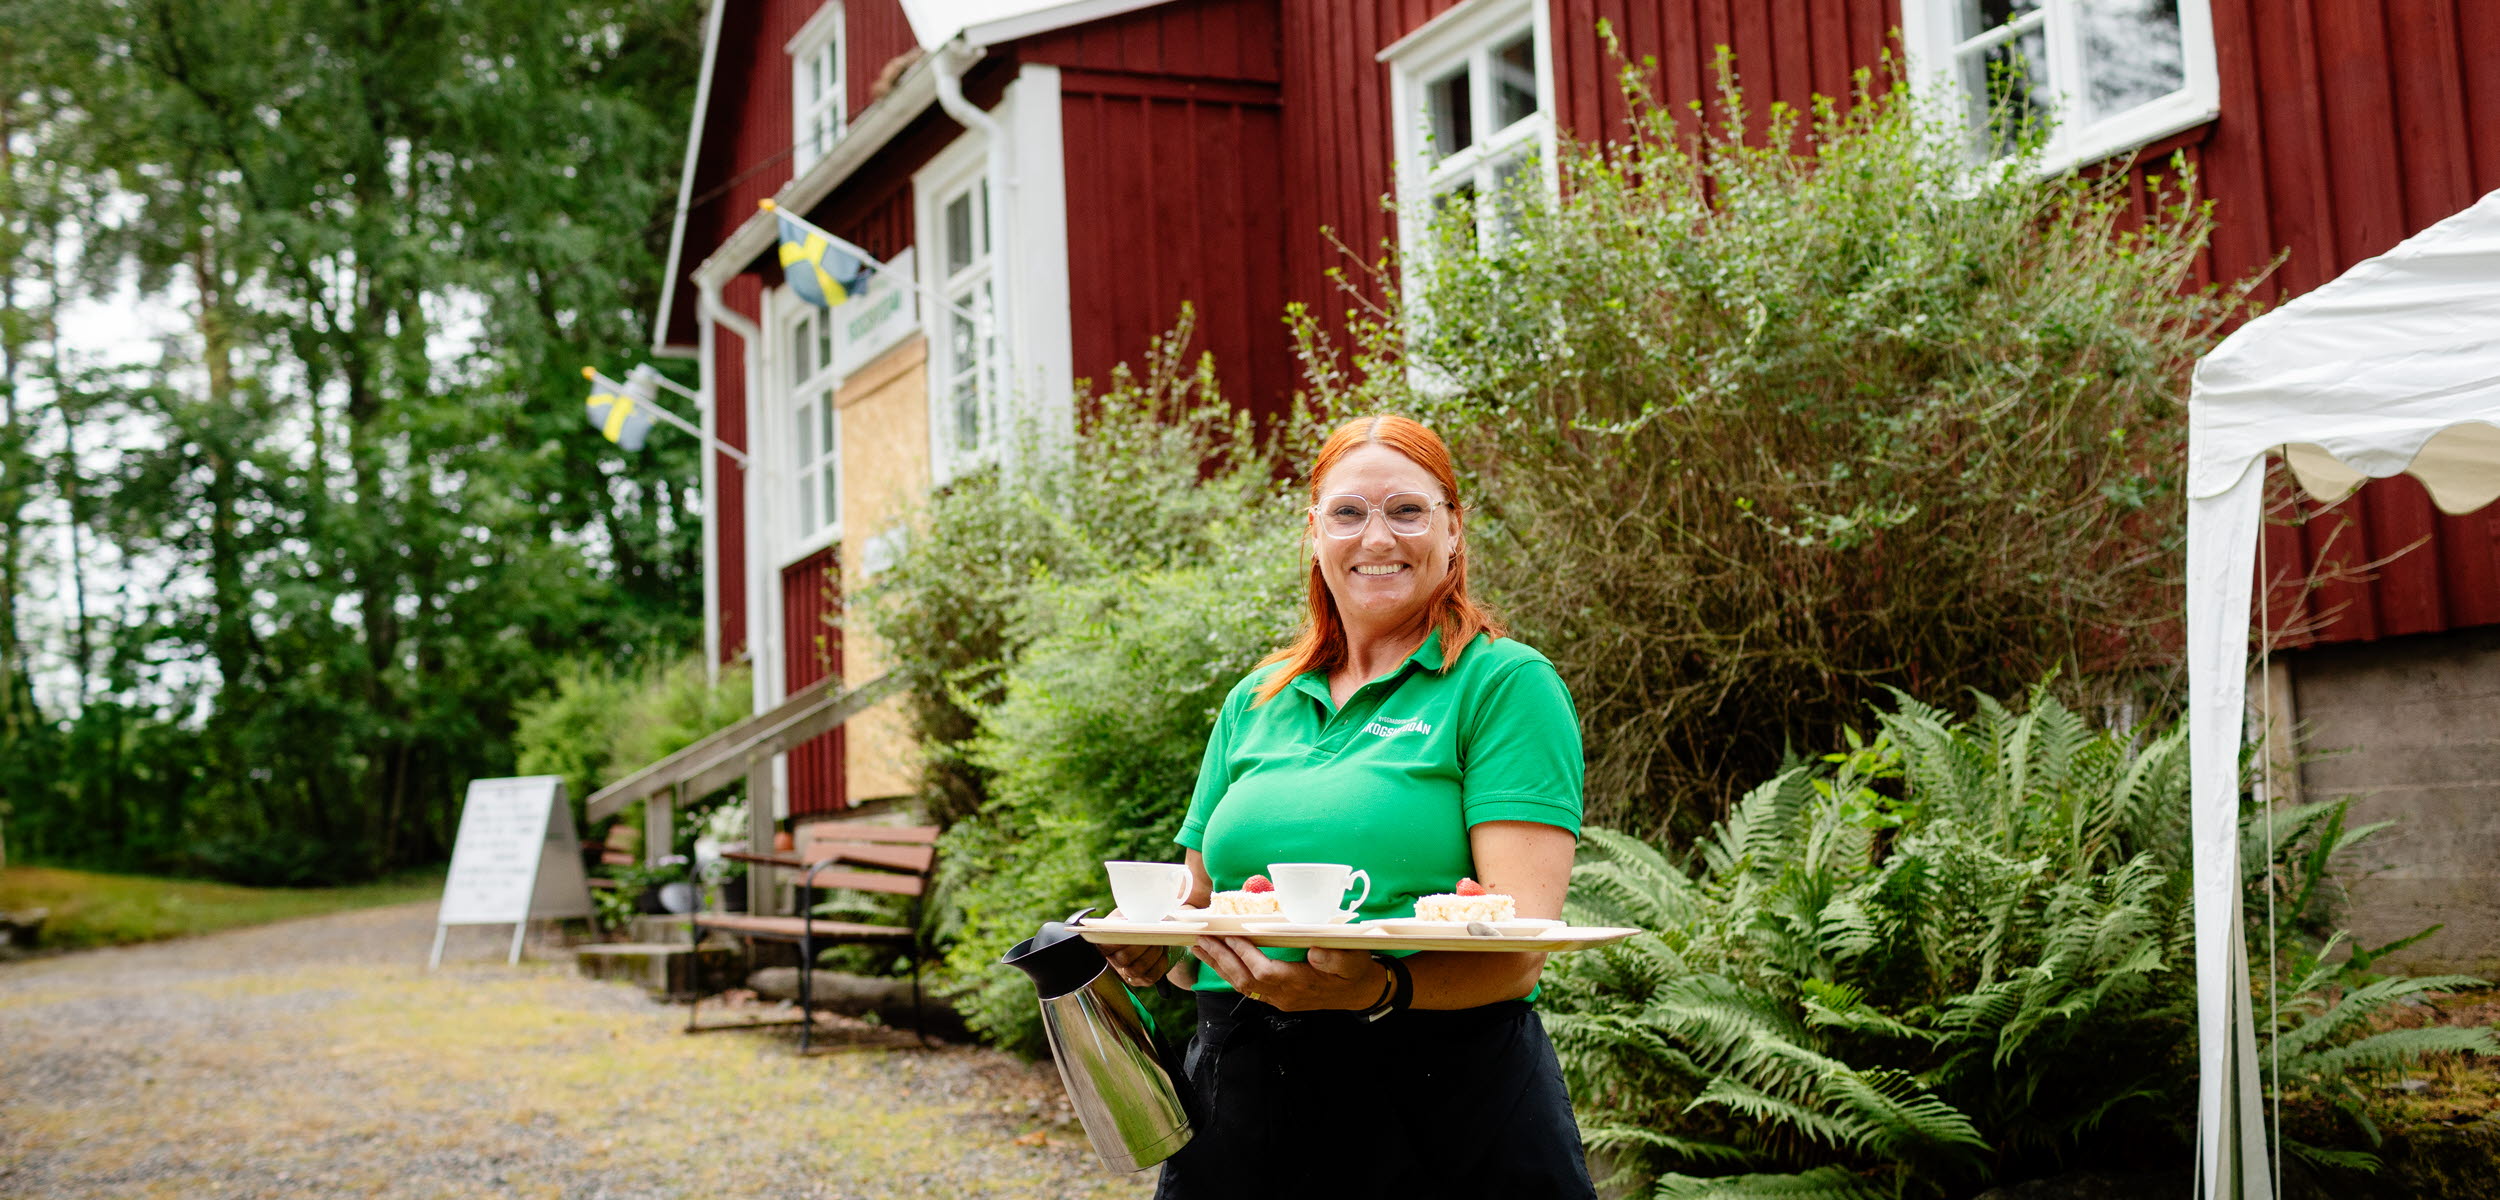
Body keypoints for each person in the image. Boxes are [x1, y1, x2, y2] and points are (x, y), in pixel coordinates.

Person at [1107, 414, 1597, 1199]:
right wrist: (1148, 951)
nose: (1377, 537)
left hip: (1442, 1104)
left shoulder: (1504, 684)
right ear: (1314, 533)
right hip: (1243, 1110)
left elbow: (1520, 953)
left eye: (1407, 511)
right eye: (1347, 512)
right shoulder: (1255, 699)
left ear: (1453, 529)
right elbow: (1195, 915)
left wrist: (1371, 989)